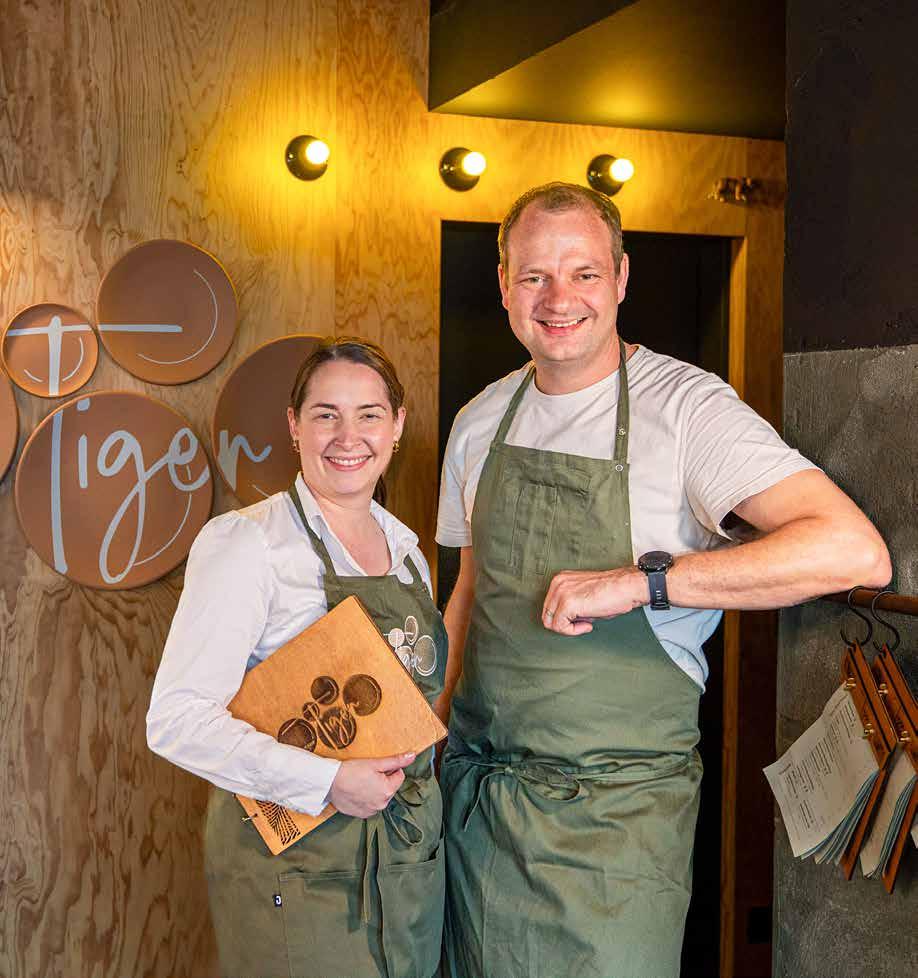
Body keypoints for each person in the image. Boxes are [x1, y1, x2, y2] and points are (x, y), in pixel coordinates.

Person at [435, 182, 891, 978]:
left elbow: (852, 550)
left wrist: (642, 583)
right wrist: (419, 744)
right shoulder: (479, 421)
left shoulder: (686, 411)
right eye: (534, 275)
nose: (558, 299)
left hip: (615, 828)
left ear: (621, 277)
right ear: (503, 284)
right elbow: (470, 594)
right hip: (475, 810)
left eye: (583, 273)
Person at [147, 338, 446, 978]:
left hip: (404, 866)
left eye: (369, 415)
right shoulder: (250, 544)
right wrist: (327, 782)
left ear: (397, 425)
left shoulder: (408, 553)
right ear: (294, 425)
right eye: (325, 414)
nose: (348, 436)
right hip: (296, 868)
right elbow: (176, 719)